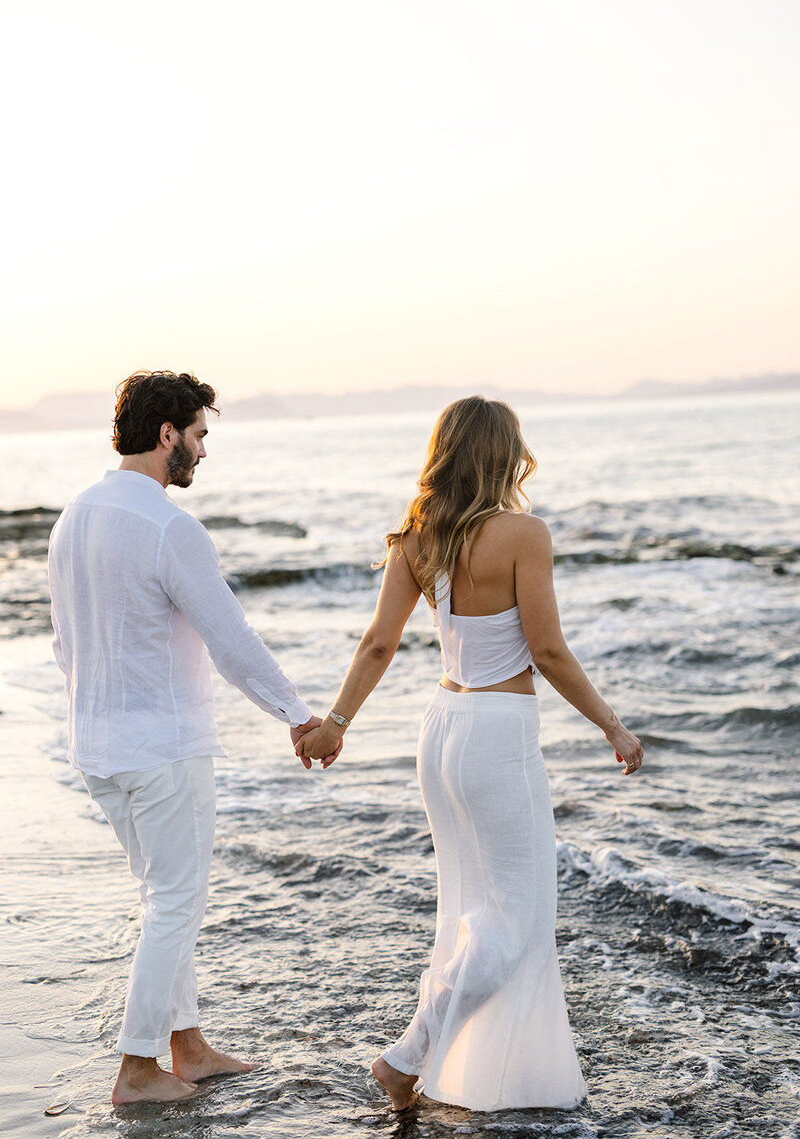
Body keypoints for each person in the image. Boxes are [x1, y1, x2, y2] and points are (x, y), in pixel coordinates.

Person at [296, 396, 644, 1113]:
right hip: (497, 734)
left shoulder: (417, 537)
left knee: (469, 911)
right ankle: (407, 1057)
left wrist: (337, 722)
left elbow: (378, 644)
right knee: (515, 919)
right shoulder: (524, 532)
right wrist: (613, 725)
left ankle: (450, 1067)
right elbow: (546, 650)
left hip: (442, 728)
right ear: (503, 454)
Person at [47, 370, 321, 1107]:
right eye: (198, 435)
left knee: (164, 896)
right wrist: (298, 716)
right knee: (176, 901)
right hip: (162, 749)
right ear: (167, 434)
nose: (202, 450)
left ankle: (187, 1047)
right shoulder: (169, 526)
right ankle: (138, 1069)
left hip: (99, 750)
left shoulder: (75, 515)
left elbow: (64, 644)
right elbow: (229, 638)